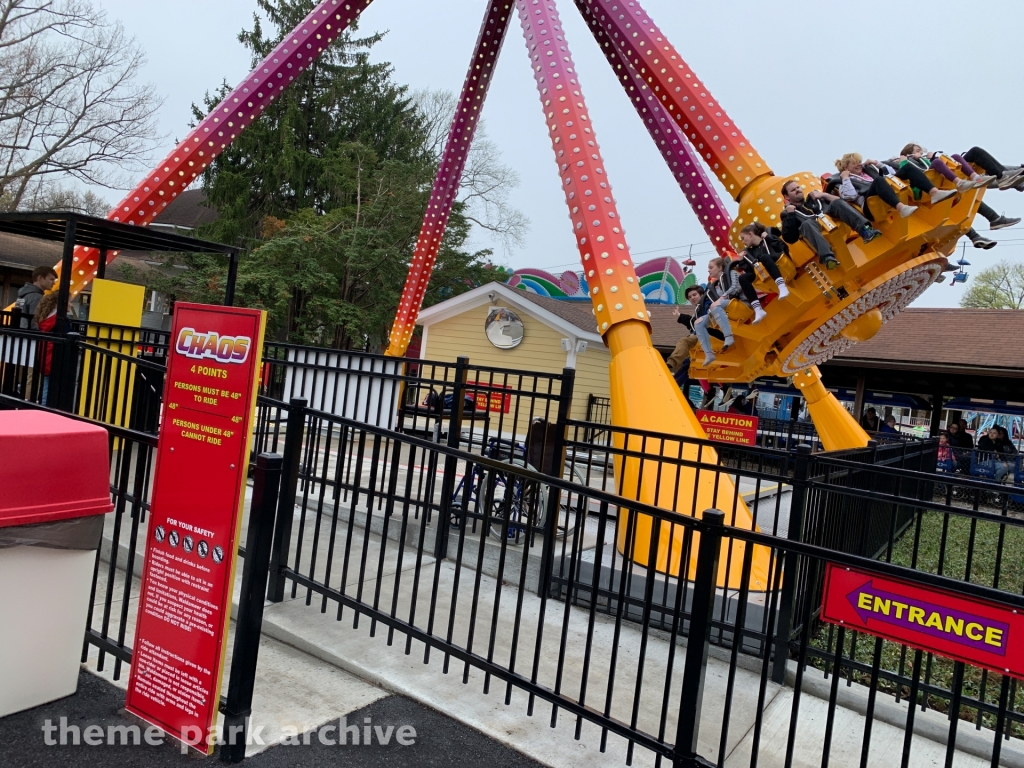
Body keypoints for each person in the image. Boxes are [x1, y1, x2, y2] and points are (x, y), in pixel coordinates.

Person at [780, 180, 882, 270]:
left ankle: (865, 231)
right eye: (793, 190)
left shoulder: (814, 198)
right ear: (787, 196)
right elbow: (790, 238)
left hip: (834, 221)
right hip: (818, 232)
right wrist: (790, 215)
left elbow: (840, 201)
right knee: (807, 224)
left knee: (836, 203)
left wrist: (824, 195)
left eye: (798, 187)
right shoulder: (789, 213)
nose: (798, 190)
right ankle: (827, 257)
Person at [833, 153, 957, 220]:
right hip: (870, 206)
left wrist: (877, 163)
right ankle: (901, 208)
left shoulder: (869, 170)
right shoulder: (843, 181)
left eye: (859, 162)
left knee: (907, 168)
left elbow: (892, 173)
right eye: (855, 163)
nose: (859, 164)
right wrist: (845, 178)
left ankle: (934, 193)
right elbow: (850, 196)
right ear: (845, 167)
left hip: (887, 191)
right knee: (879, 181)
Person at [695, 258, 736, 366]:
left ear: (720, 267)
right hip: (722, 307)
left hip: (736, 301)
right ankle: (709, 353)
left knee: (714, 306)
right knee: (698, 322)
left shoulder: (731, 273)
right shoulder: (716, 286)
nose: (708, 270)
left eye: (711, 267)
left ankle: (728, 336)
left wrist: (721, 298)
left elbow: (736, 287)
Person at [666, 285, 707, 374]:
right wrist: (679, 315)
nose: (692, 298)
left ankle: (671, 363)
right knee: (685, 364)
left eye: (694, 295)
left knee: (684, 341)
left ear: (702, 294)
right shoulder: (698, 310)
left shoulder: (707, 304)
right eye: (689, 297)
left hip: (708, 335)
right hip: (700, 337)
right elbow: (692, 322)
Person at [34, 293, 59, 404]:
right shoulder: (57, 319)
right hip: (53, 355)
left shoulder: (44, 319)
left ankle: (43, 407)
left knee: (45, 385)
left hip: (44, 353)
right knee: (50, 386)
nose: (71, 304)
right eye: (69, 301)